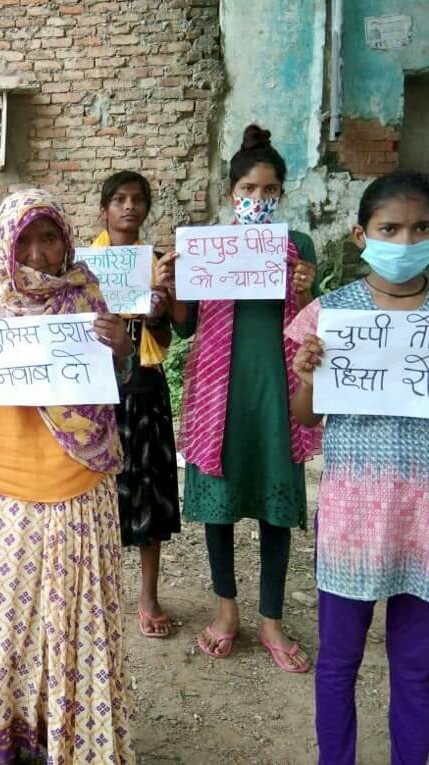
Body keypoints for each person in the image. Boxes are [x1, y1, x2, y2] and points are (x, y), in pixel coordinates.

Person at [0, 189, 134, 764]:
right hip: (1, 484)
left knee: (76, 620)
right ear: (4, 242)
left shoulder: (87, 296)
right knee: (8, 620)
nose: (38, 254)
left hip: (78, 481)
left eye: (48, 238)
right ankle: (9, 730)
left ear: (65, 240)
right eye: (24, 240)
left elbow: (108, 386)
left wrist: (122, 351)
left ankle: (71, 736)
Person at [158, 124, 320, 672]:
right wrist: (174, 288)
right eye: (249, 190)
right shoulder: (208, 247)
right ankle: (226, 610)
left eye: (269, 190)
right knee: (220, 506)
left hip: (277, 391)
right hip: (219, 393)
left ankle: (271, 619)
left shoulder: (297, 247)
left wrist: (306, 290)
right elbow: (186, 327)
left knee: (277, 510)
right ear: (232, 194)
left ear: (281, 194)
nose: (259, 199)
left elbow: (314, 326)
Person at [287, 170, 429, 764]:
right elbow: (307, 417)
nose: (405, 241)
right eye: (389, 229)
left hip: (423, 518)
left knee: (418, 666)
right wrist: (307, 375)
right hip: (352, 512)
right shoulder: (331, 314)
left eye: (421, 228)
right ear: (361, 235)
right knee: (339, 659)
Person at [94, 171, 180, 638]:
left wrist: (158, 310)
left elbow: (170, 335)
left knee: (149, 494)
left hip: (144, 386)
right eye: (120, 199)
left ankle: (148, 595)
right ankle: (100, 591)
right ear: (104, 210)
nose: (129, 207)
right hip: (94, 391)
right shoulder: (83, 266)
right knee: (97, 496)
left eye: (138, 199)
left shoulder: (158, 264)